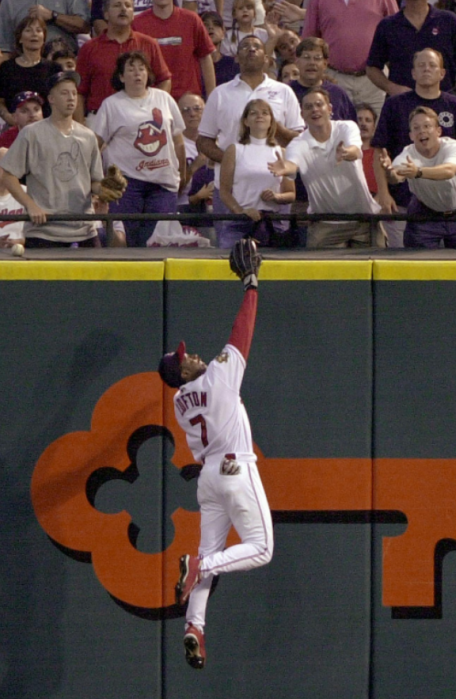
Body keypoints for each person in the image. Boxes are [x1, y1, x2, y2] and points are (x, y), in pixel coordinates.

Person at [161, 239, 273, 671]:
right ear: (182, 373)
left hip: (208, 479)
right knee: (261, 548)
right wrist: (251, 284)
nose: (191, 356)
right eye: (185, 359)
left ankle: (194, 628)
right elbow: (241, 333)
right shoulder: (218, 378)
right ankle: (199, 565)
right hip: (233, 467)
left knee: (209, 558)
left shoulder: (178, 401)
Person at [197, 35, 304, 240]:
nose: (251, 49)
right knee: (229, 256)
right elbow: (204, 140)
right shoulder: (220, 93)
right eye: (245, 46)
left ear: (267, 58)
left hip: (275, 191)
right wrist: (232, 163)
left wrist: (276, 126)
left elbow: (299, 142)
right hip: (229, 191)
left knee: (275, 258)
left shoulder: (284, 92)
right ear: (236, 57)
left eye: (257, 46)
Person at [371, 48, 456, 241]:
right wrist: (384, 193)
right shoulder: (395, 104)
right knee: (411, 264)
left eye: (432, 65)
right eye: (421, 65)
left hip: (453, 202)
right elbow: (381, 152)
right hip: (406, 200)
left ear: (442, 73)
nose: (426, 69)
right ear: (413, 73)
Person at [0, 70, 107, 246]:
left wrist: (105, 191)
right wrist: (30, 205)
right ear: (51, 99)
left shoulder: (88, 137)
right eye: (64, 93)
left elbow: (94, 181)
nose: (71, 98)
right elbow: (8, 175)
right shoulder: (31, 133)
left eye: (73, 93)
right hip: (44, 231)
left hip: (84, 228)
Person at [268, 88, 384, 248]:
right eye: (308, 107)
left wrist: (345, 152)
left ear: (329, 109)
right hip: (326, 223)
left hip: (364, 219)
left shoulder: (346, 127)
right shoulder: (298, 143)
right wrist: (284, 168)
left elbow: (356, 151)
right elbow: (291, 166)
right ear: (302, 115)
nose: (314, 109)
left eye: (319, 104)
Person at [95, 52, 187, 246]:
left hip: (163, 183)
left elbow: (178, 140)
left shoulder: (164, 98)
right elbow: (95, 144)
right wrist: (98, 180)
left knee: (160, 240)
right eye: (131, 69)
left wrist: (182, 174)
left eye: (141, 68)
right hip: (127, 184)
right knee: (129, 239)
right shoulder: (111, 105)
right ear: (121, 76)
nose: (137, 73)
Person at [381, 106, 456, 248]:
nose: (422, 131)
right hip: (424, 213)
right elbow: (396, 176)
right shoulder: (407, 154)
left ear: (438, 131)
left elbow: (449, 171)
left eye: (427, 126)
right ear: (411, 135)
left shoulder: (454, 146)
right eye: (416, 128)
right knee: (419, 265)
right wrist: (389, 172)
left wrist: (418, 172)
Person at [75, 0, 172, 128]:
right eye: (117, 5)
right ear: (106, 14)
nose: (123, 9)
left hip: (142, 120)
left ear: (133, 14)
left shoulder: (148, 44)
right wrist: (80, 126)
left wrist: (154, 108)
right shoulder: (89, 49)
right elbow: (79, 92)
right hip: (100, 121)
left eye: (128, 5)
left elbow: (164, 80)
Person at [365, 0, 456, 105]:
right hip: (402, 105)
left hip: (443, 106)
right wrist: (391, 87)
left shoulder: (449, 21)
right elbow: (372, 67)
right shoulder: (388, 25)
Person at [301, 0, 398, 117]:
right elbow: (309, 42)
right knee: (336, 130)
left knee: (376, 130)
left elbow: (397, 34)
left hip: (374, 82)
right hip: (334, 79)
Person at [219, 100, 296, 247]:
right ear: (246, 121)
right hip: (240, 224)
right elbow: (224, 191)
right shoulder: (234, 150)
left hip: (271, 223)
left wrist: (276, 197)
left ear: (271, 121)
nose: (259, 116)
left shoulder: (281, 153)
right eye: (253, 113)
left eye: (265, 113)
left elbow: (291, 193)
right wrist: (241, 211)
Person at [133, 0, 217, 100]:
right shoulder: (136, 24)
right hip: (152, 101)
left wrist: (212, 99)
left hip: (188, 103)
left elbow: (205, 57)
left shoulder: (192, 20)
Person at [0, 17, 53, 127]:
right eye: (28, 30)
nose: (34, 34)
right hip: (15, 126)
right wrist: (8, 117)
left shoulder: (53, 68)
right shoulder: (7, 68)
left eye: (38, 30)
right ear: (20, 38)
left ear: (44, 38)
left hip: (46, 127)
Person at [287, 38, 357, 122]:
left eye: (317, 58)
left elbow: (352, 127)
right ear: (297, 62)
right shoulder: (287, 92)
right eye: (306, 57)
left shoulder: (338, 94)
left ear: (325, 64)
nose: (311, 63)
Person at [177, 93, 216, 239]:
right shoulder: (175, 143)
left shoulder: (219, 141)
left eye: (197, 108)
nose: (192, 114)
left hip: (214, 209)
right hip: (184, 210)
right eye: (186, 110)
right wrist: (194, 166)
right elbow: (174, 187)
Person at [0, 0, 90, 56]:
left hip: (63, 60)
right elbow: (4, 47)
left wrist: (53, 15)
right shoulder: (9, 2)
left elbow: (84, 26)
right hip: (25, 65)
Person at [201, 11, 239, 88]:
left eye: (216, 24)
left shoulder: (232, 64)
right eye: (205, 25)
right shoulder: (194, 65)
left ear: (223, 33)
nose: (211, 28)